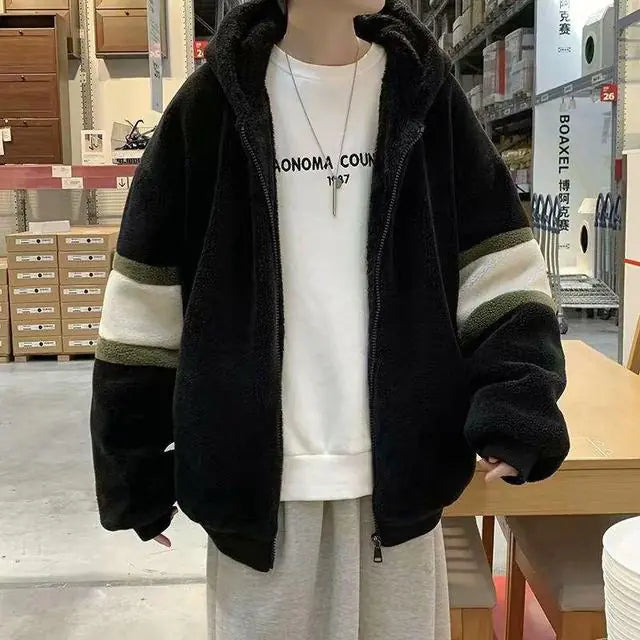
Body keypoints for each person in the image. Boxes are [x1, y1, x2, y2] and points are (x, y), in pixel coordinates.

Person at [90, 0, 570, 638]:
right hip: (257, 485)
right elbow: (146, 292)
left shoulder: (424, 96)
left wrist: (518, 399)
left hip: (399, 477)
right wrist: (133, 461)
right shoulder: (211, 107)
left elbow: (497, 265)